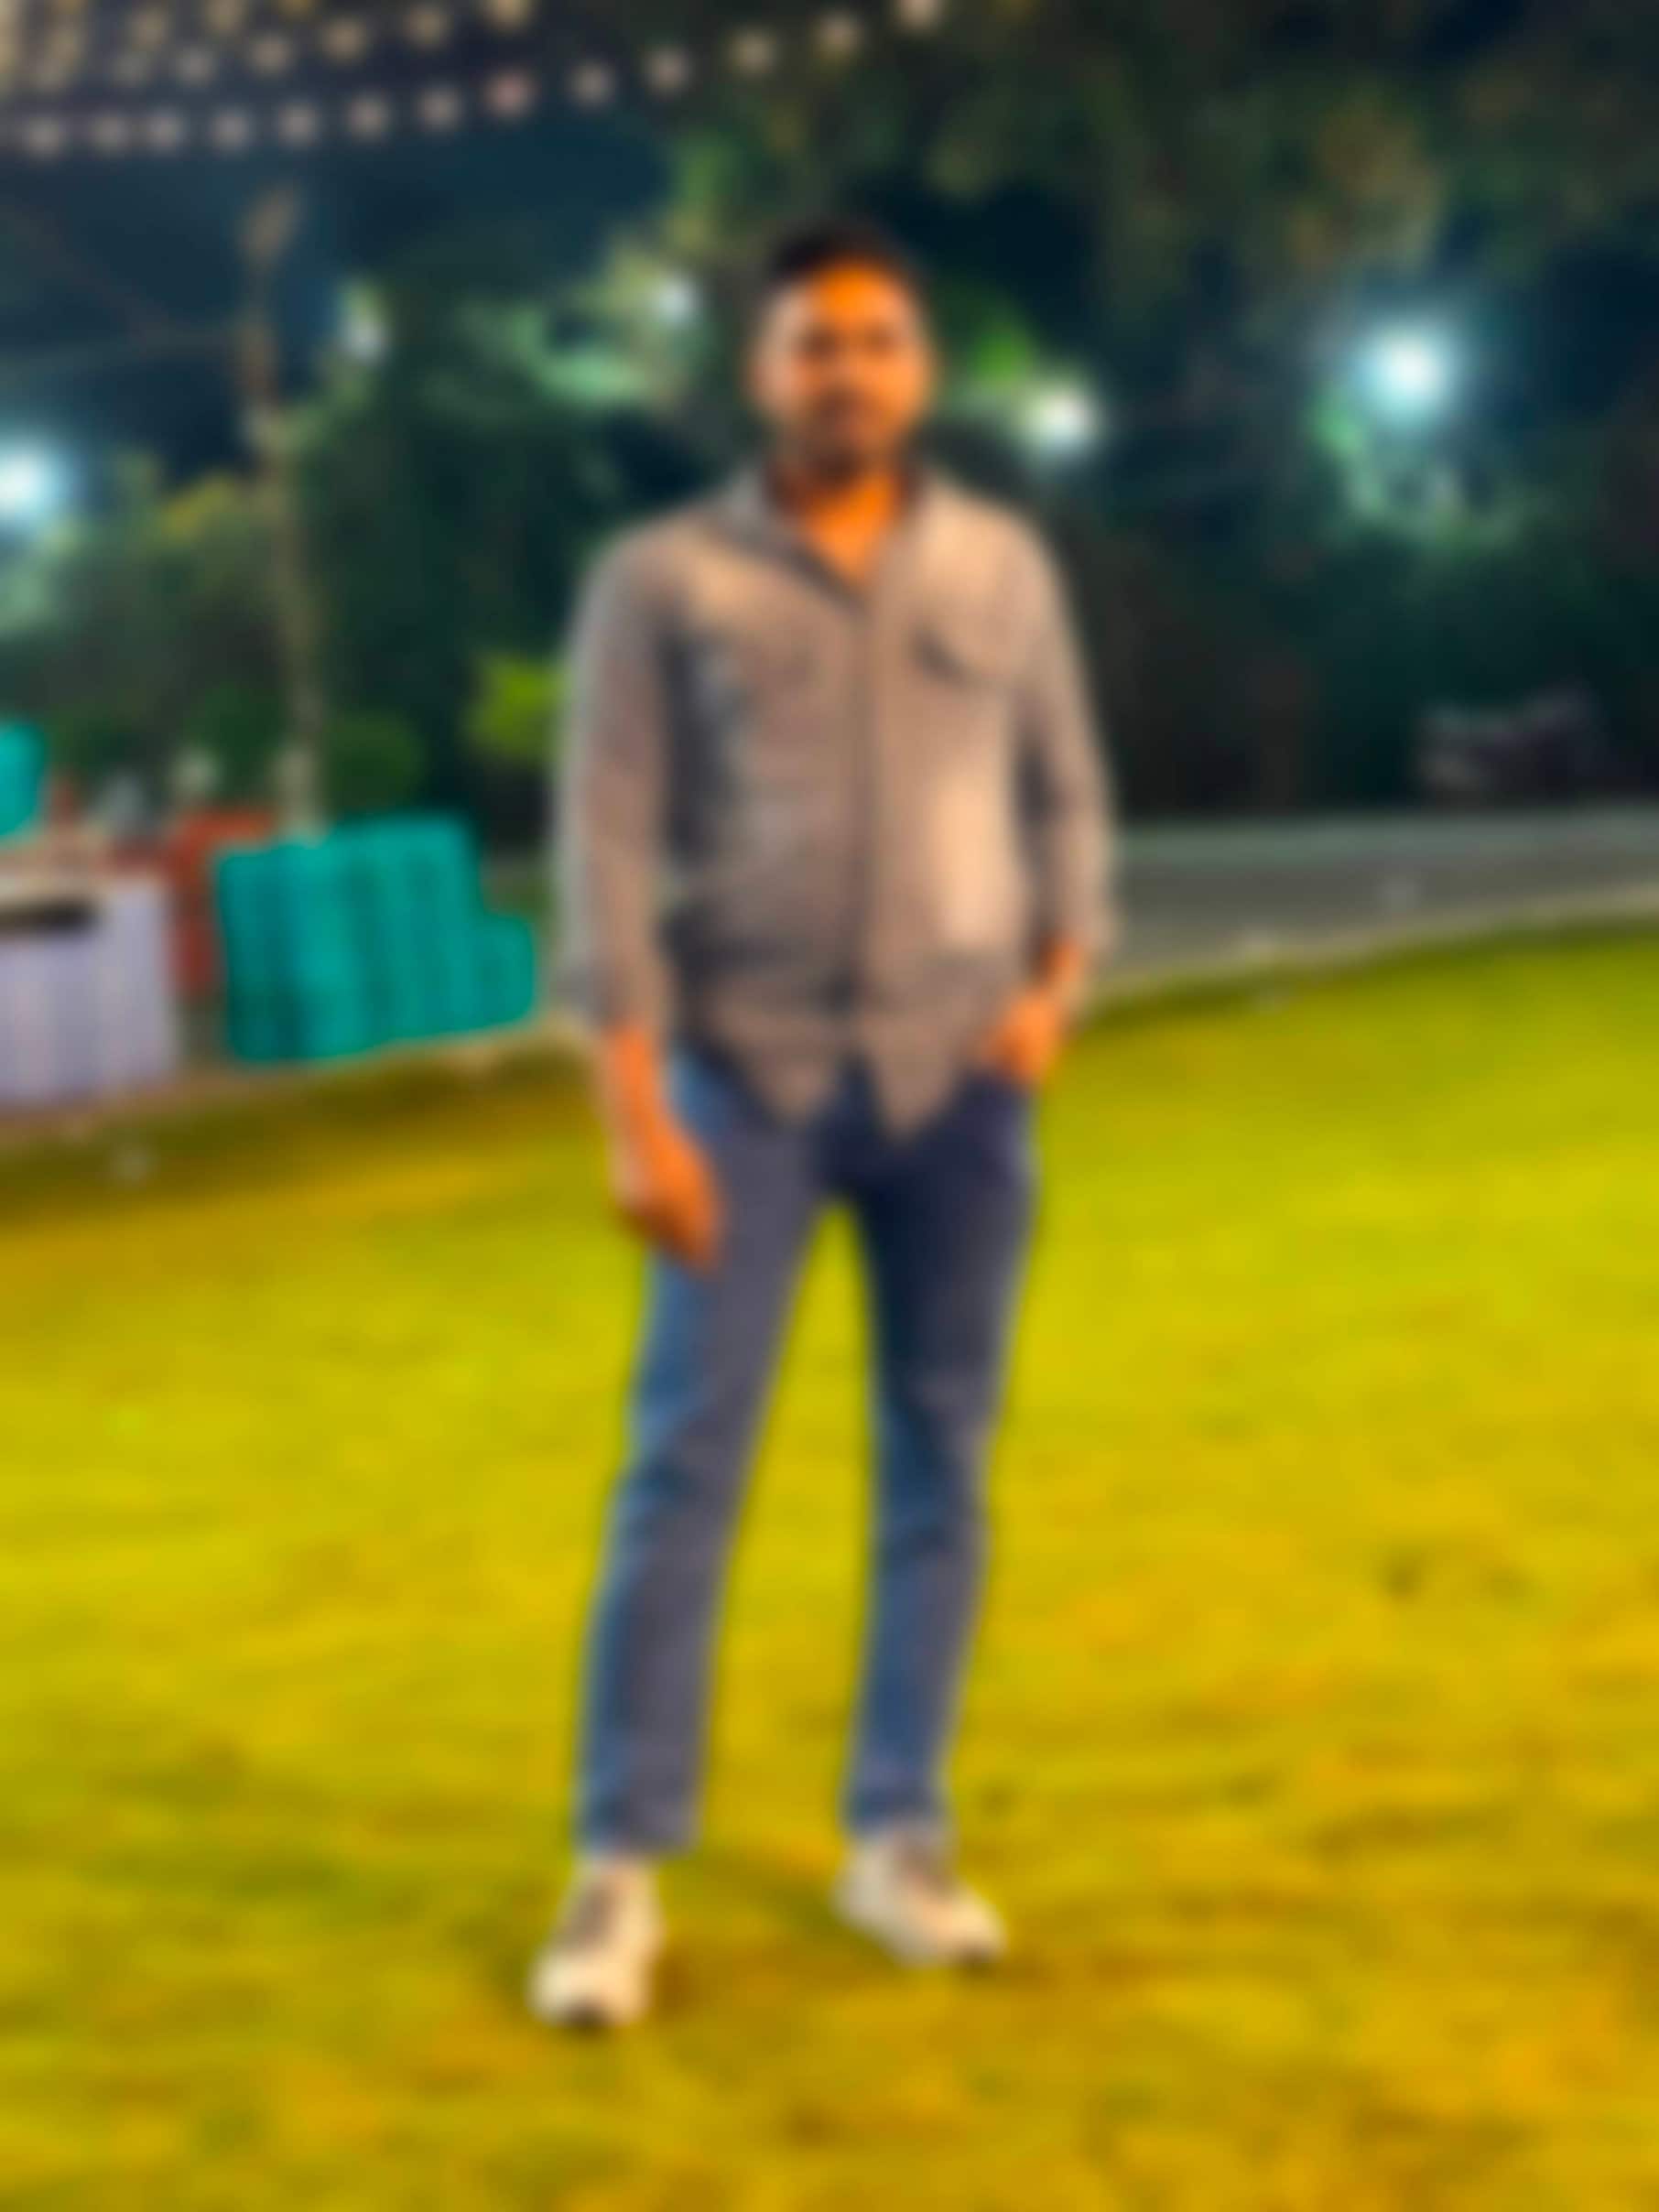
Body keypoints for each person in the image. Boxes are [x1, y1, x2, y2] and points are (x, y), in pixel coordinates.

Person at [529, 217, 1114, 2029]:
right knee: (685, 1465)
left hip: (962, 1088)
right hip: (748, 1080)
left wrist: (1054, 988)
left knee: (942, 1457)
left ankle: (897, 1835)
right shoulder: (662, 580)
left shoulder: (1001, 566)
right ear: (760, 371)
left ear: (918, 370)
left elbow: (1066, 791)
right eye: (812, 342)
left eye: (874, 340)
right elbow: (603, 841)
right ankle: (617, 1870)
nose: (845, 369)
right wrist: (633, 1110)